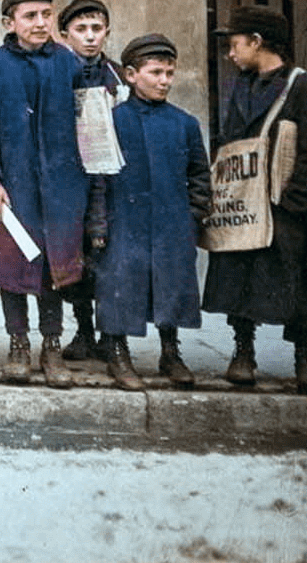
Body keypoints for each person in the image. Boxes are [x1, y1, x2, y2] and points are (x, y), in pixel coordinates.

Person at [0, 0, 88, 387]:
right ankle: (18, 343)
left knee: (54, 265)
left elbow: (90, 124)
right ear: (10, 21)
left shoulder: (69, 65)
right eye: (30, 16)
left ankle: (51, 346)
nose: (40, 24)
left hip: (60, 187)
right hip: (12, 187)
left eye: (46, 15)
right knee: (12, 265)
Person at [202, 6, 307, 394]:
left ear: (257, 42)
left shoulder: (304, 88)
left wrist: (296, 199)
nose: (230, 54)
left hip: (287, 207)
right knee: (239, 273)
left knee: (298, 281)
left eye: (235, 44)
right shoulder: (241, 86)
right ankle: (243, 351)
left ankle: (304, 355)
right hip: (246, 203)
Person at [92, 34, 210, 390]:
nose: (164, 81)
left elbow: (199, 175)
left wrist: (192, 215)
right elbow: (97, 177)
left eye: (170, 73)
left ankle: (170, 351)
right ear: (130, 75)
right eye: (156, 72)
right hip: (123, 222)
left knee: (170, 284)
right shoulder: (112, 121)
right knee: (119, 283)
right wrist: (98, 223)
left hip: (171, 222)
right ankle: (117, 351)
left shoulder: (184, 123)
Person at [57, 0, 127, 363]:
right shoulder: (57, 73)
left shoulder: (119, 76)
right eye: (81, 29)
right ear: (65, 34)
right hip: (74, 180)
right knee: (77, 259)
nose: (89, 37)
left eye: (96, 29)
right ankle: (83, 329)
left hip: (112, 182)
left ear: (107, 32)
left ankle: (111, 334)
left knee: (111, 261)